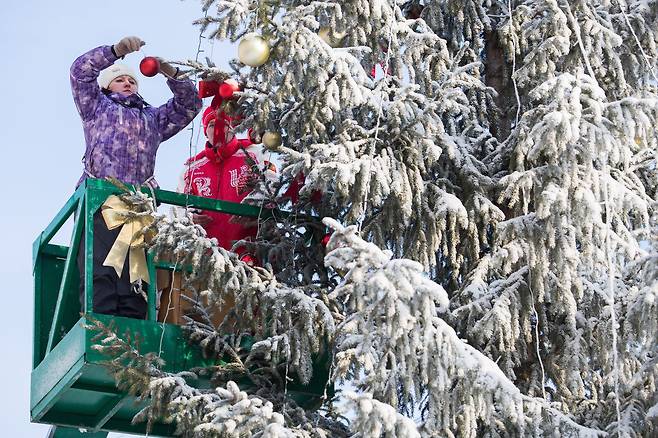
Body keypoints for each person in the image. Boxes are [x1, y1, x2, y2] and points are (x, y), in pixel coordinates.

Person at [71, 36, 202, 318]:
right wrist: (115, 52)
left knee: (136, 279)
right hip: (101, 202)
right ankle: (100, 329)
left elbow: (189, 105)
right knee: (101, 272)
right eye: (120, 79)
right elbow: (80, 72)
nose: (128, 82)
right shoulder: (96, 107)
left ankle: (134, 339)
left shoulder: (152, 119)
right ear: (106, 86)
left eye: (132, 80)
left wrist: (172, 74)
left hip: (139, 207)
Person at [178, 106, 276, 259]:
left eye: (223, 123)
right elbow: (179, 206)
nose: (217, 128)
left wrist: (254, 206)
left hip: (250, 253)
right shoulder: (192, 168)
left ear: (232, 129)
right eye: (211, 125)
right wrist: (188, 217)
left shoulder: (253, 153)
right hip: (207, 258)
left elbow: (273, 185)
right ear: (205, 132)